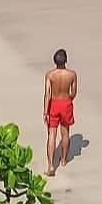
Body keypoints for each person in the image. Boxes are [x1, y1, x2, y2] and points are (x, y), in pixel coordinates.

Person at [43, 48, 77, 176]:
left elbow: (47, 94)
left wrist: (45, 111)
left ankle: (51, 165)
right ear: (66, 60)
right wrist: (69, 100)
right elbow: (73, 93)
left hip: (54, 104)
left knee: (52, 134)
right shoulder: (72, 75)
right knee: (65, 132)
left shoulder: (50, 75)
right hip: (66, 103)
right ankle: (63, 159)